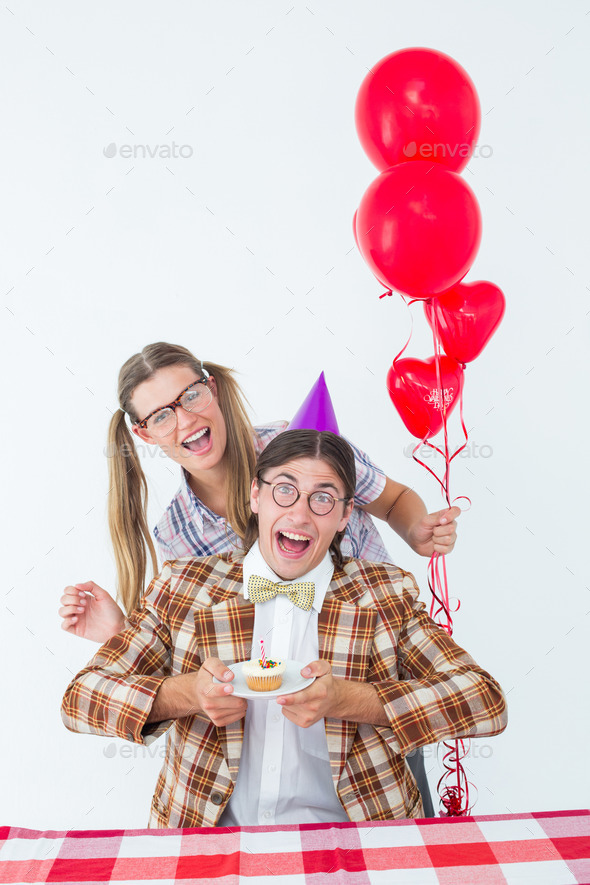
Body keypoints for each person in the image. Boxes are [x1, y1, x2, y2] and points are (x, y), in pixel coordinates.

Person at [58, 341, 459, 816]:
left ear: (212, 389)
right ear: (144, 434)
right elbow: (197, 654)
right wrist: (121, 636)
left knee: (394, 814)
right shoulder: (177, 535)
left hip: (370, 690)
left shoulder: (302, 444)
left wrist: (417, 531)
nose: (184, 420)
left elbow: (391, 500)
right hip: (265, 716)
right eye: (161, 415)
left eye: (189, 396)